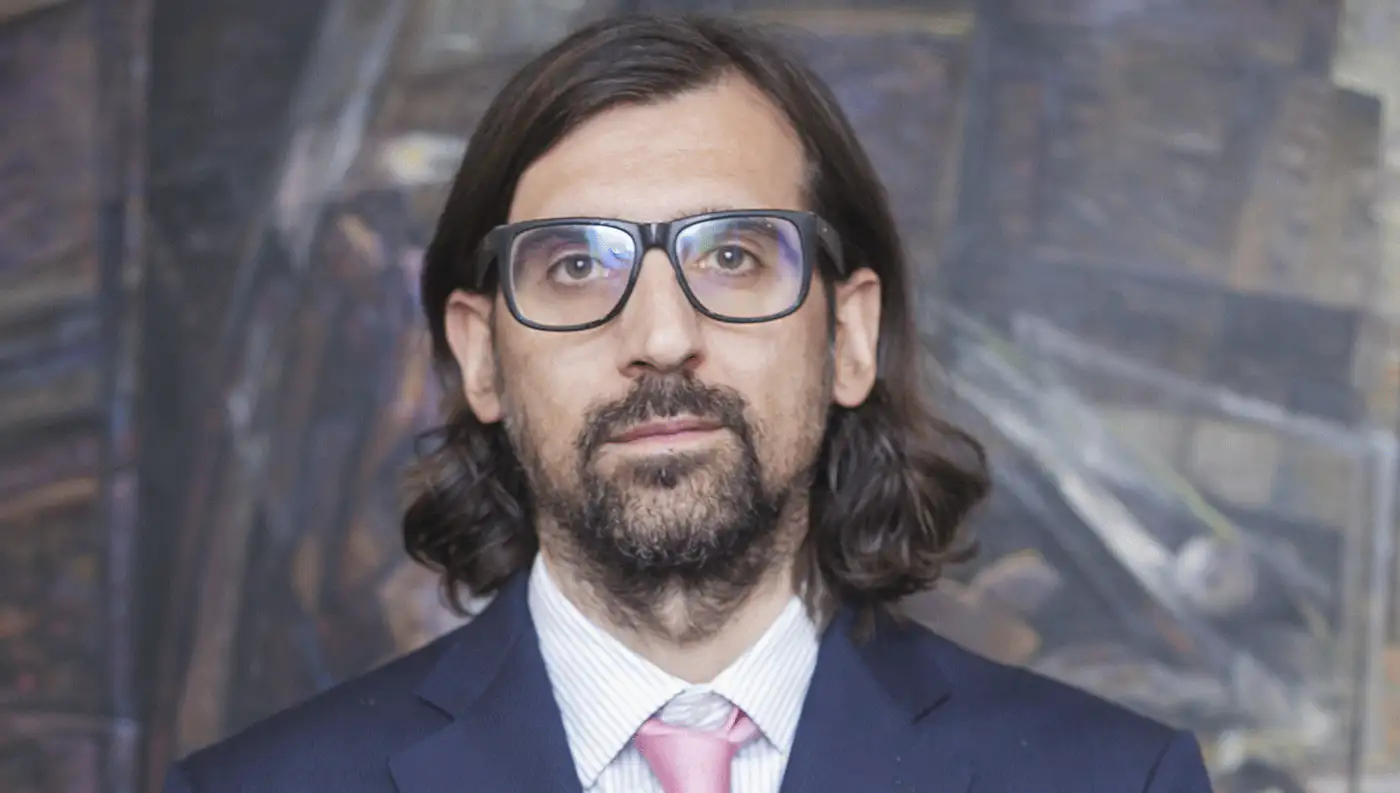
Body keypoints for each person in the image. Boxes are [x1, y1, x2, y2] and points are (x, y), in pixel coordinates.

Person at [162, 13, 1213, 793]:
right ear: (480, 358)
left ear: (847, 338)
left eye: (733, 256)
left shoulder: (1115, 782)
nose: (661, 336)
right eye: (576, 265)